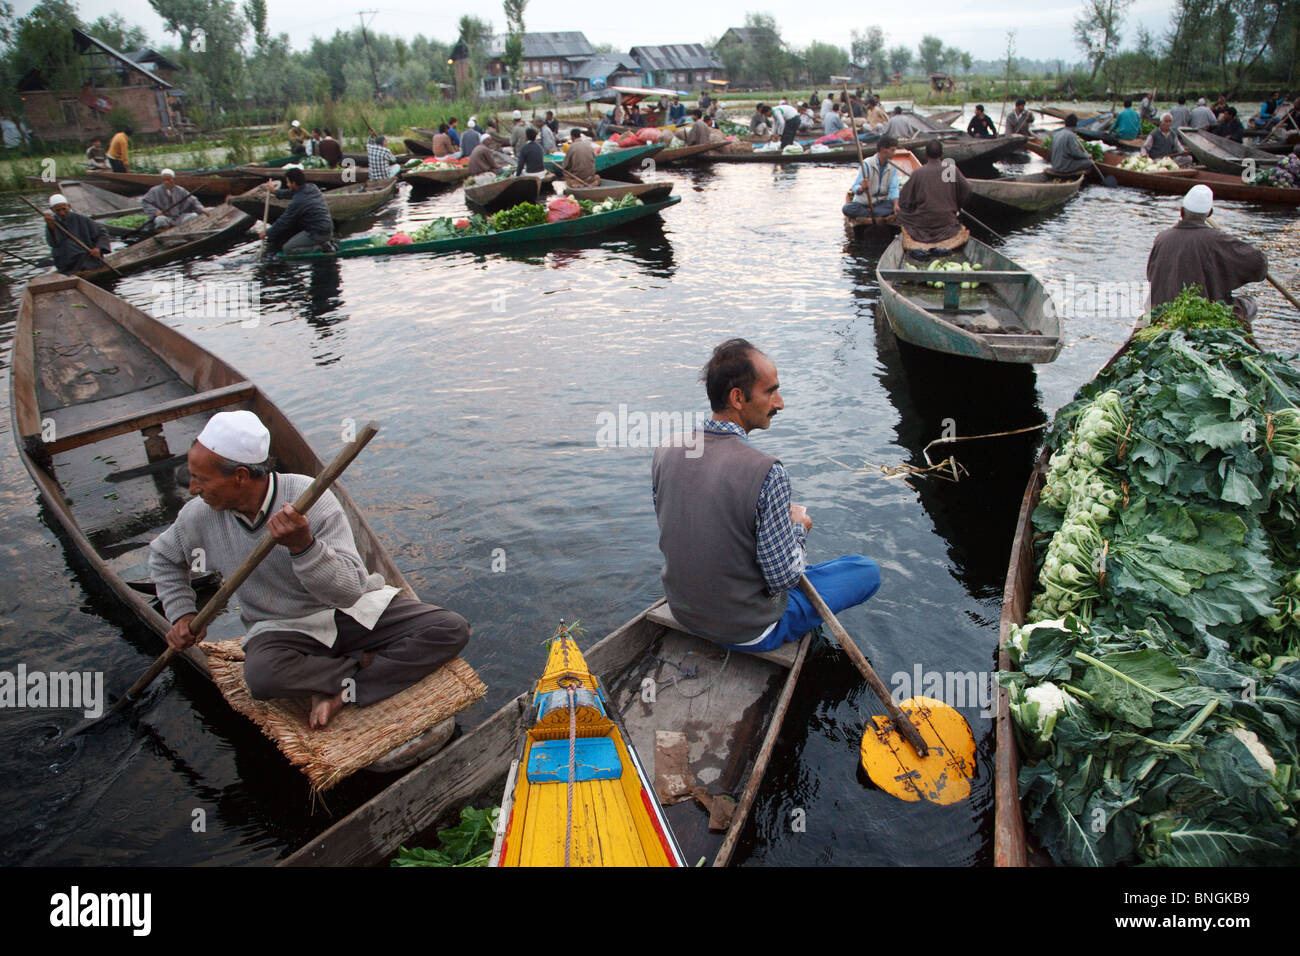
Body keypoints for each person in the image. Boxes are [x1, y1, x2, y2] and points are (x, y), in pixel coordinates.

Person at [149, 410, 470, 729]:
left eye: (201, 479)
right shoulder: (199, 516)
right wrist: (182, 614)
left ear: (241, 476)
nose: (192, 488)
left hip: (347, 612)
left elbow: (348, 591)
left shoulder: (312, 499)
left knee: (449, 628)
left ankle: (340, 686)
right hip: (283, 628)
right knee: (261, 678)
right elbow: (164, 557)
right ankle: (355, 672)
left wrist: (305, 547)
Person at [651, 339, 881, 653]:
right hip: (747, 630)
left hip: (683, 611)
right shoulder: (768, 471)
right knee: (865, 570)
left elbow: (681, 523)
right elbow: (783, 579)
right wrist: (798, 527)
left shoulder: (667, 449)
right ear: (737, 398)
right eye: (770, 391)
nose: (780, 403)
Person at [1146, 184, 1267, 312]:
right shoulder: (1217, 240)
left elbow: (1150, 275)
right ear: (1209, 213)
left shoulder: (1161, 238)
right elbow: (1259, 265)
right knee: (1250, 304)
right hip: (1203, 311)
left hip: (1161, 308)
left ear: (1181, 212)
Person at [896, 139, 972, 246]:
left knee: (900, 214)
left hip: (923, 224)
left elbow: (903, 201)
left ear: (926, 155)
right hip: (947, 222)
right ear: (941, 154)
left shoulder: (918, 173)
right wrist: (957, 206)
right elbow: (967, 190)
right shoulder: (951, 170)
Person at [259, 168, 335, 256]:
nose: (287, 184)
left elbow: (284, 221)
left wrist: (267, 232)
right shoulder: (312, 187)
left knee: (287, 249)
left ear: (294, 183)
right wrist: (275, 191)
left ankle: (321, 247)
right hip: (328, 229)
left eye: (287, 182)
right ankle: (325, 242)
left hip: (316, 234)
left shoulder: (298, 201)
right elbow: (290, 193)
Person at [43, 193, 111, 274]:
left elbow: (102, 233)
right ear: (52, 210)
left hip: (87, 260)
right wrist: (51, 228)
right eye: (58, 210)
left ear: (69, 206)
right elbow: (53, 244)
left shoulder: (82, 219)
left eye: (64, 209)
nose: (62, 213)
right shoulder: (52, 223)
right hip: (67, 264)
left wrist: (98, 248)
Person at [842, 134, 902, 221]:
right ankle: (876, 215)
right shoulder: (867, 164)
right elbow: (855, 187)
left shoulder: (893, 167)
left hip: (881, 203)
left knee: (900, 205)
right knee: (847, 208)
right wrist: (862, 188)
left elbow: (894, 188)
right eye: (892, 150)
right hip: (864, 204)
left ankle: (870, 215)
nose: (894, 153)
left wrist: (896, 204)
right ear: (883, 150)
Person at [141, 169, 207, 230]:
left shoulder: (180, 190)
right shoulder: (154, 190)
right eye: (164, 180)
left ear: (173, 179)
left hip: (178, 217)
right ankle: (163, 233)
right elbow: (146, 202)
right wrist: (156, 211)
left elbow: (193, 200)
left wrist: (201, 209)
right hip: (165, 217)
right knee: (160, 220)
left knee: (193, 216)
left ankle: (184, 230)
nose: (166, 182)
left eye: (169, 179)